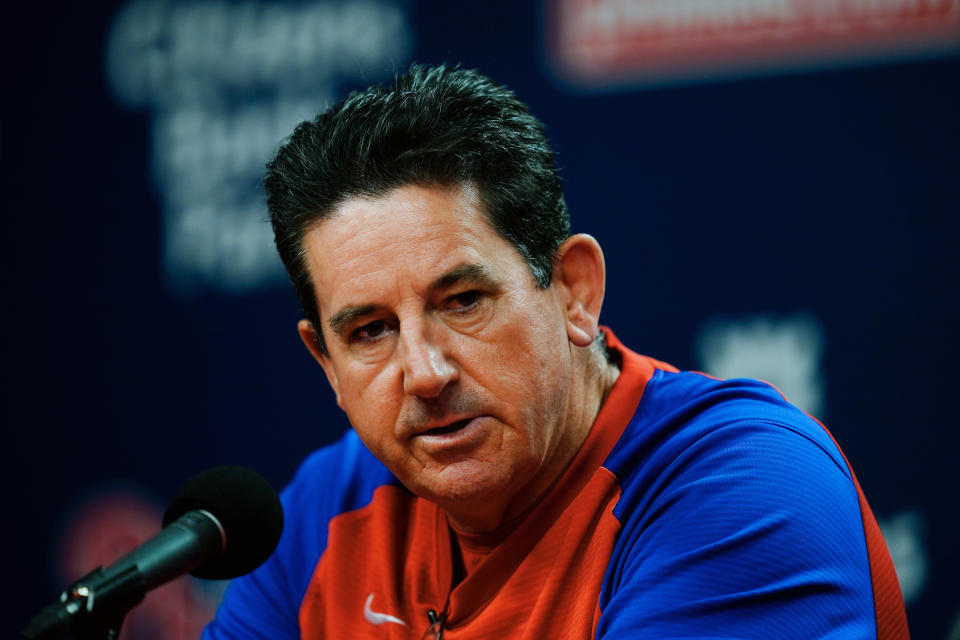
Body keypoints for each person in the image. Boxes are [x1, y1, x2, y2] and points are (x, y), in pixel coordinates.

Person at [202, 65, 909, 639]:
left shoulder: (746, 489)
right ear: (325, 361)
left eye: (462, 301)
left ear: (573, 290)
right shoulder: (327, 508)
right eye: (369, 332)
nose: (423, 372)